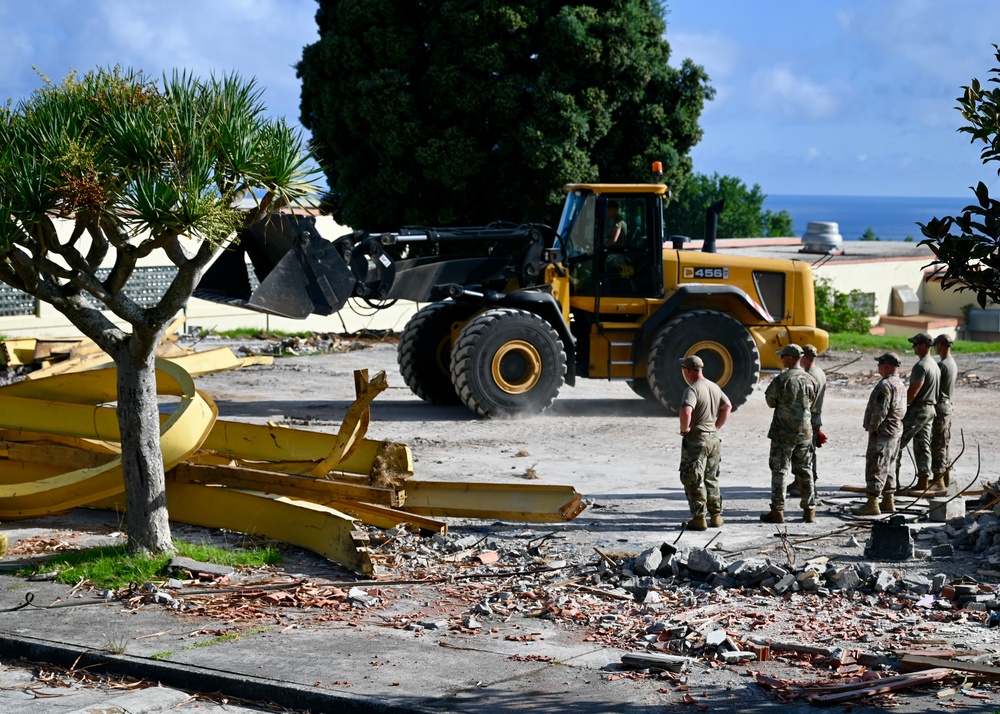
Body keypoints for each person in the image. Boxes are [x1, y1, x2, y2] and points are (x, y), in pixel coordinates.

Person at [760, 344, 817, 524]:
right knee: (805, 469)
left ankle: (778, 510)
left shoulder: (782, 379)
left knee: (780, 470)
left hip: (783, 432)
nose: (781, 358)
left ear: (791, 358)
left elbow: (770, 401)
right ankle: (809, 510)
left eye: (783, 356)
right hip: (804, 431)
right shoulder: (811, 379)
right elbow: (812, 401)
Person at [677, 355, 732, 531]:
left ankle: (699, 518)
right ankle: (716, 516)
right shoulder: (714, 386)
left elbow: (686, 411)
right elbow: (727, 406)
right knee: (711, 477)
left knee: (693, 478)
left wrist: (685, 430)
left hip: (698, 439)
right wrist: (716, 427)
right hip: (713, 439)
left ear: (687, 370)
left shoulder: (692, 390)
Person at [854, 353, 907, 515]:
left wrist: (873, 427)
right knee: (889, 465)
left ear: (887, 366)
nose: (878, 368)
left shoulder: (886, 385)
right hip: (895, 430)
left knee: (875, 465)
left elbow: (880, 411)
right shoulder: (900, 384)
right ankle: (888, 500)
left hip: (883, 432)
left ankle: (872, 503)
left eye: (880, 365)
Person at [895, 332, 940, 493]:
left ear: (922, 346)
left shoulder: (921, 366)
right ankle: (923, 480)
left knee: (896, 443)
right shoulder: (934, 364)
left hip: (918, 409)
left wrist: (902, 408)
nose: (913, 347)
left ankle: (892, 483)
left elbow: (913, 391)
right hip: (930, 409)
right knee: (923, 445)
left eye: (915, 344)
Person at [788, 344, 827, 497]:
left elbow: (806, 400)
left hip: (808, 416)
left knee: (806, 453)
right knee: (803, 451)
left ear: (804, 357)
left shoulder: (809, 375)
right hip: (814, 415)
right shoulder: (819, 372)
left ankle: (808, 484)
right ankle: (798, 481)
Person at [931, 334, 957, 490]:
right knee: (944, 443)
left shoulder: (943, 365)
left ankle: (938, 480)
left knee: (938, 444)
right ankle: (945, 479)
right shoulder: (951, 363)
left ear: (940, 345)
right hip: (947, 405)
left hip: (940, 406)